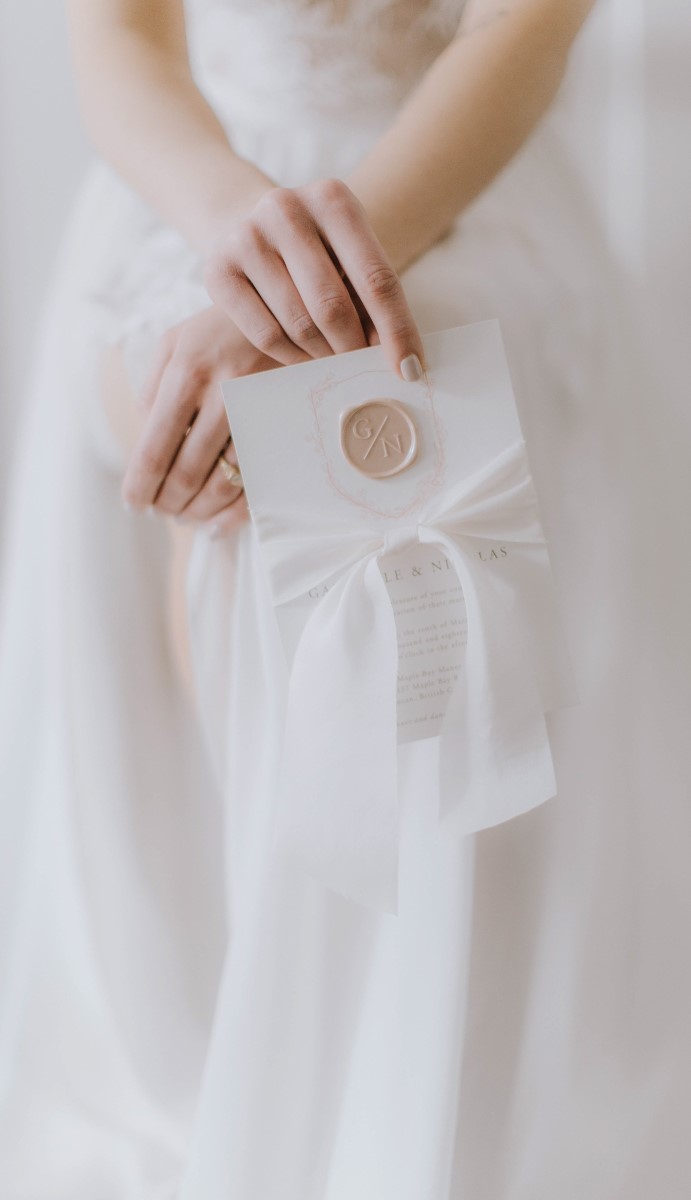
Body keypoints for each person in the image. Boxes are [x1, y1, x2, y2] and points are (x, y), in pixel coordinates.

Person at [1, 1, 689, 1196]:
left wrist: (322, 272)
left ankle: (391, 1115)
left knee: (328, 480)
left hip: (452, 182)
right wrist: (242, 236)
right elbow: (120, 36)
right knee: (225, 451)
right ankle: (227, 1084)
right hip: (193, 180)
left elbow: (524, 34)